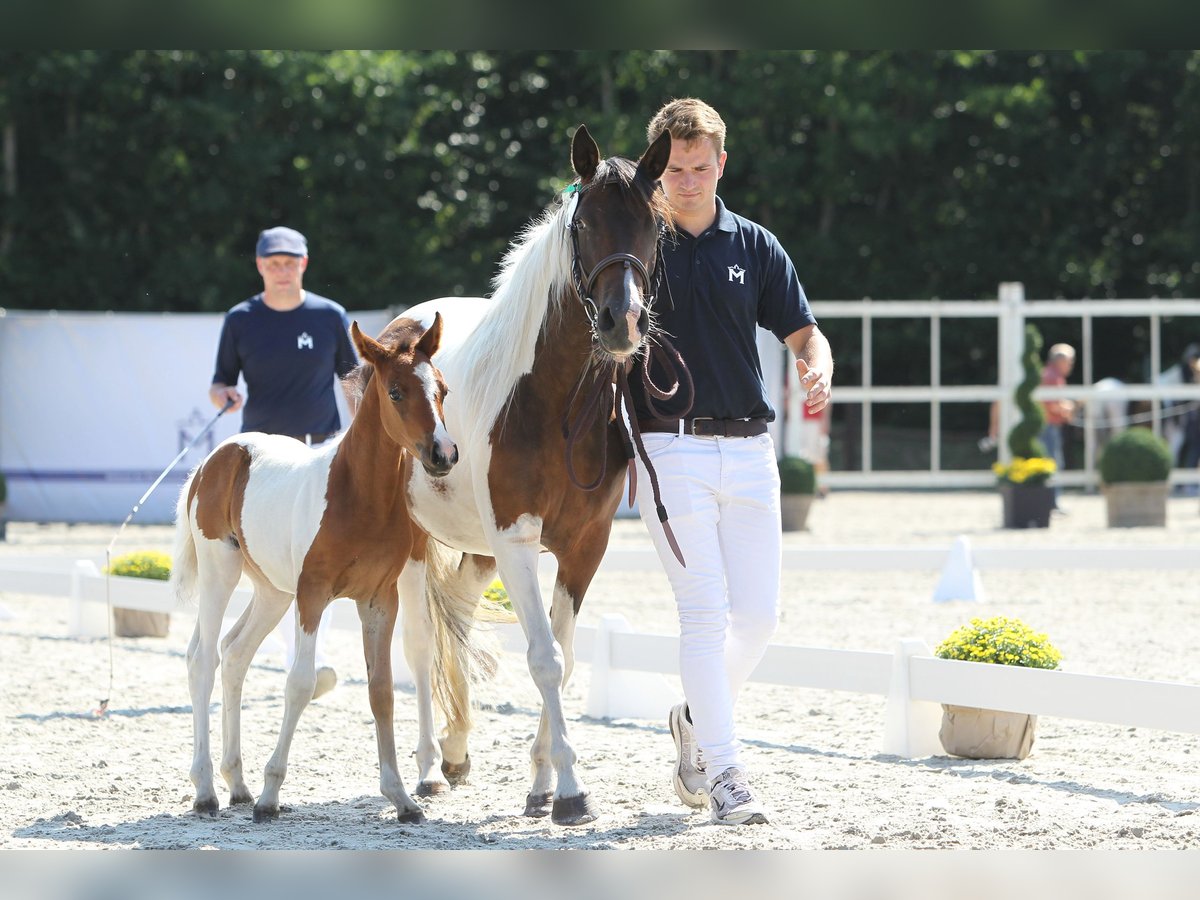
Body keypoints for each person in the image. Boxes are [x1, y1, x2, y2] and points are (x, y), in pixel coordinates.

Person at [630, 99, 833, 826]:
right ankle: (725, 771)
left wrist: (819, 367)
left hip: (751, 448)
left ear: (722, 163)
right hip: (668, 445)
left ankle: (692, 718)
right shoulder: (634, 242)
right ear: (657, 167)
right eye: (674, 169)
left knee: (760, 617)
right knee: (704, 616)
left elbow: (805, 332)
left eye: (699, 166)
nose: (687, 181)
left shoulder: (755, 244)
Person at [208, 225, 359, 699]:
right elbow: (219, 382)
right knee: (274, 564)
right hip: (263, 461)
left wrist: (365, 437)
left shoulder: (328, 315)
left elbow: (353, 383)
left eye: (289, 262)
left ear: (303, 264)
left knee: (322, 555)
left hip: (320, 453)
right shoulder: (240, 319)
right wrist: (224, 395)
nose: (281, 270)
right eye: (272, 262)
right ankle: (298, 659)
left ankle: (309, 660)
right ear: (259, 265)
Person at [1039, 343, 1076, 509]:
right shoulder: (1052, 377)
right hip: (1049, 427)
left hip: (1048, 426)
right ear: (1060, 361)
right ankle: (1052, 503)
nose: (1071, 365)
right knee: (1053, 463)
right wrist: (1067, 408)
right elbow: (1052, 404)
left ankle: (1050, 502)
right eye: (1069, 361)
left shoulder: (1050, 375)